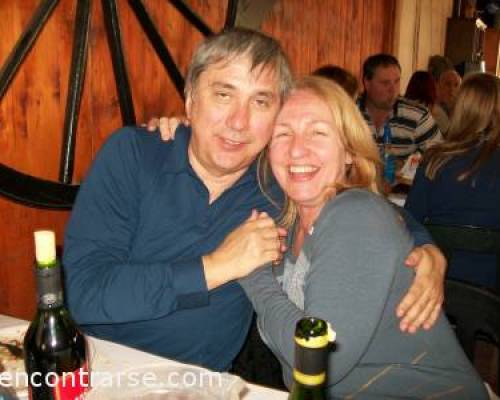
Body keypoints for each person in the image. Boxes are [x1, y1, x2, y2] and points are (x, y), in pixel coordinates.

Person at [64, 28, 445, 373]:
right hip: (100, 367)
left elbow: (355, 201)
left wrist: (425, 246)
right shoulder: (134, 155)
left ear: (276, 115)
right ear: (191, 99)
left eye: (260, 102)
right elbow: (84, 294)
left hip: (206, 383)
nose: (238, 121)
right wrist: (216, 266)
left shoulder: (278, 181)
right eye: (223, 95)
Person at [240, 75, 488, 398]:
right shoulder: (289, 220)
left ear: (349, 151)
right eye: (282, 133)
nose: (297, 149)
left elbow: (317, 361)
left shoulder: (355, 216)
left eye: (318, 132)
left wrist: (253, 275)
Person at [405, 73, 500, 290]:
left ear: (460, 109)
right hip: (493, 291)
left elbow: (410, 222)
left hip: (435, 286)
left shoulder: (434, 160)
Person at [358, 54, 442, 162]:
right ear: (367, 83)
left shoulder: (418, 116)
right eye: (385, 83)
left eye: (397, 81)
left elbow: (439, 159)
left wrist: (409, 166)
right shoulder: (348, 112)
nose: (393, 90)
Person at [432, 68, 462, 137]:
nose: (452, 89)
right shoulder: (434, 109)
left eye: (456, 85)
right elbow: (450, 136)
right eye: (448, 84)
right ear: (438, 86)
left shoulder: (461, 108)